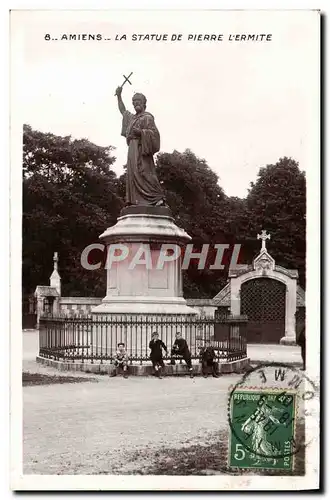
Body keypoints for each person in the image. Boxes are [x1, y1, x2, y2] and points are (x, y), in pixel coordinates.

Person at [115, 86, 166, 207]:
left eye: (138, 101)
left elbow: (155, 134)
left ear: (144, 103)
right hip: (132, 148)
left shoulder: (147, 117)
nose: (136, 104)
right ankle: (135, 201)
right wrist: (119, 96)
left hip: (142, 148)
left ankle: (157, 198)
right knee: (133, 174)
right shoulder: (132, 118)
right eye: (134, 102)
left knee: (145, 171)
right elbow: (123, 111)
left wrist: (141, 133)